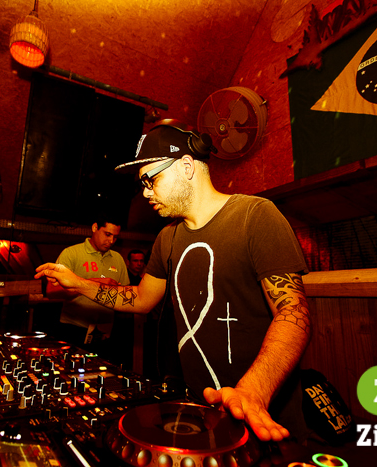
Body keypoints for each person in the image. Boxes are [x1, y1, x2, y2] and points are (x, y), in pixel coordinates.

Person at [36, 125, 311, 443]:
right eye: (142, 185)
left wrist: (255, 389)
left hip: (264, 415)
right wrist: (77, 283)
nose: (145, 193)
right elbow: (141, 299)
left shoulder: (254, 216)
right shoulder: (167, 238)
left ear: (186, 166)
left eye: (151, 180)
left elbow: (294, 313)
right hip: (200, 412)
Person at [46, 214, 130, 356]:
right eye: (107, 234)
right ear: (95, 227)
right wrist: (95, 284)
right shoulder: (71, 253)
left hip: (105, 331)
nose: (111, 241)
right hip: (74, 328)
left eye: (115, 237)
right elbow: (51, 291)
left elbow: (126, 296)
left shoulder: (118, 258)